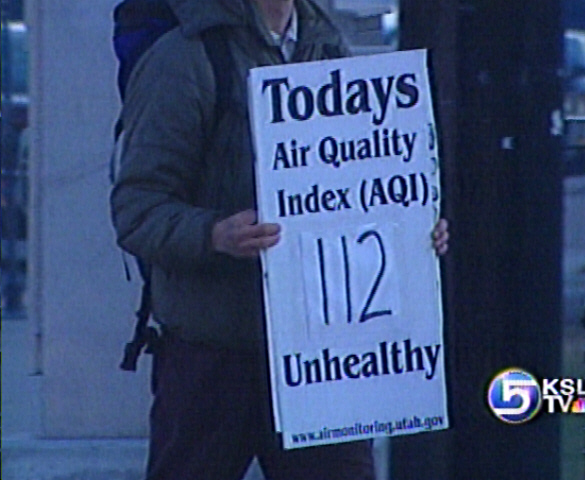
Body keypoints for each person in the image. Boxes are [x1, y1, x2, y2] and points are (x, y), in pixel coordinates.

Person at [110, 0, 449, 478]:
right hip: (215, 357)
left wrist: (414, 231)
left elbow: (364, 189)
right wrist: (214, 235)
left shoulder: (331, 51)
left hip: (325, 361)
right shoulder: (185, 59)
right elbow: (137, 209)